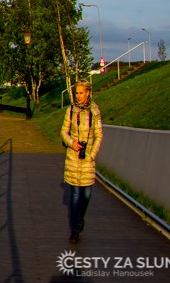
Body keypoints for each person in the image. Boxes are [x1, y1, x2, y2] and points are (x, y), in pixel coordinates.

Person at [61, 81, 103, 243]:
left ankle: (80, 219)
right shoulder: (70, 111)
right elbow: (63, 132)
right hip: (73, 158)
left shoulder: (95, 112)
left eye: (80, 93)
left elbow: (99, 135)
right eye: (76, 93)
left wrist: (92, 154)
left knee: (86, 195)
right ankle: (75, 229)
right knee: (75, 195)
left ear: (87, 93)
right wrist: (72, 143)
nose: (78, 96)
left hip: (87, 161)